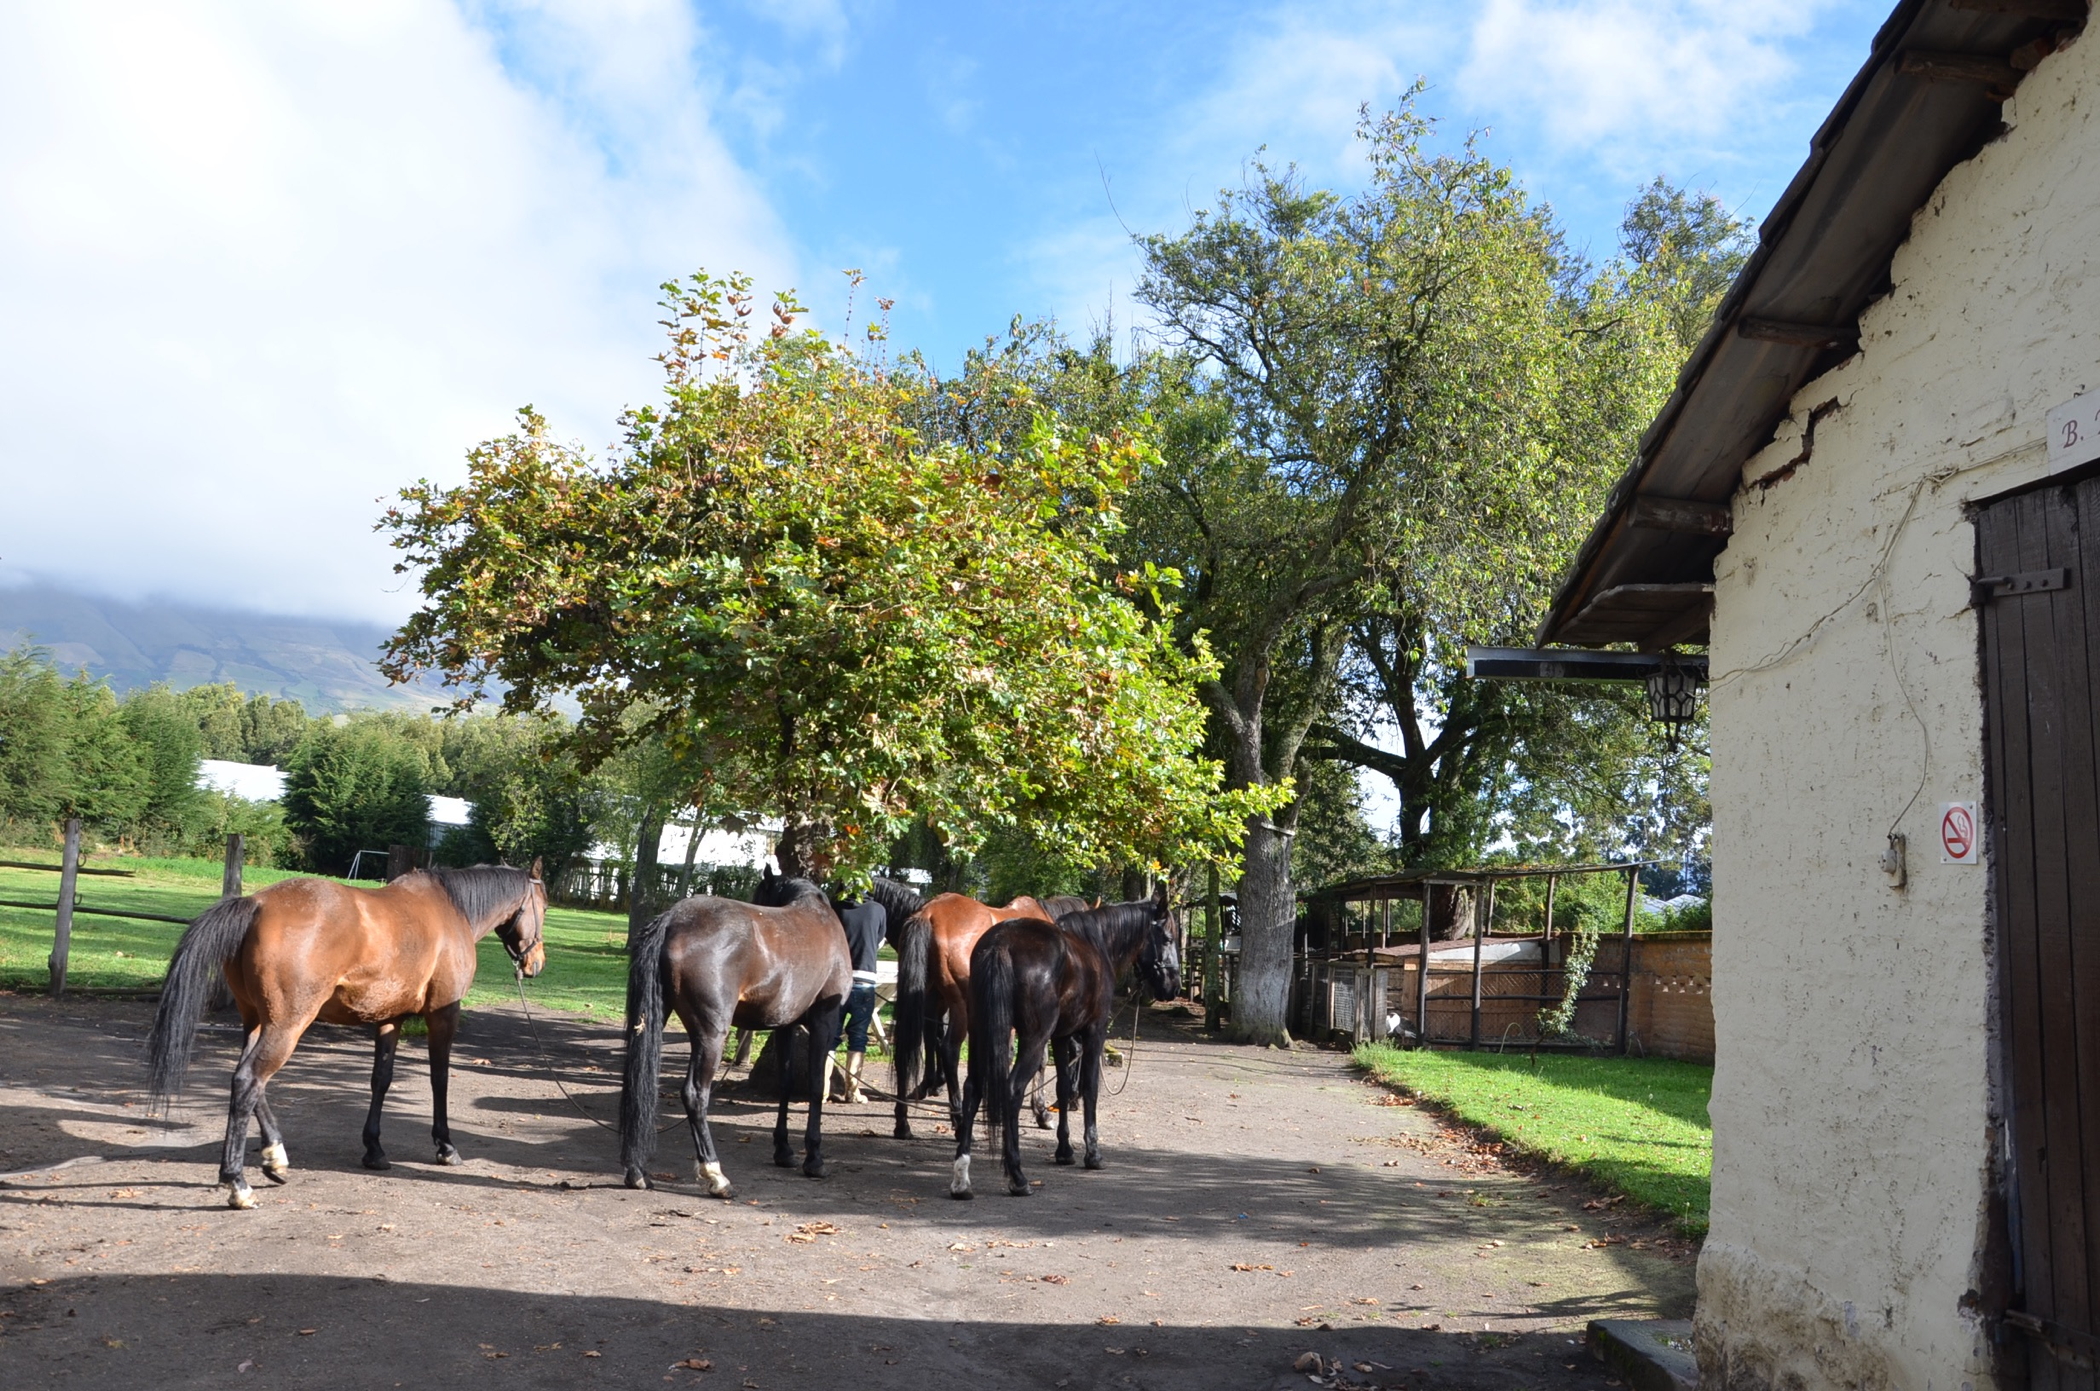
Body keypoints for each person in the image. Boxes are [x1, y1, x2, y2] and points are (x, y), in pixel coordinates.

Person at [826, 889, 887, 1104]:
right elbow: (879, 942)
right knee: (859, 1036)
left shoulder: (836, 908)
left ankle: (822, 1091)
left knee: (831, 1036)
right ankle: (852, 1091)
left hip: (838, 981)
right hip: (866, 980)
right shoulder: (878, 910)